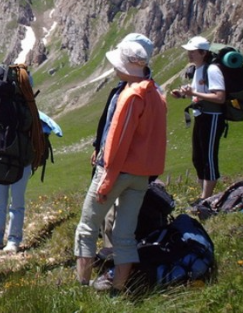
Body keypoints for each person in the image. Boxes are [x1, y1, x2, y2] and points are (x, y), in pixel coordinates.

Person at [74, 39, 166, 294]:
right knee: (125, 233)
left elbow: (117, 143)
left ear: (127, 66)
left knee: (87, 226)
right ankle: (118, 288)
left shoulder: (130, 96)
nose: (114, 68)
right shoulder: (156, 93)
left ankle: (81, 285)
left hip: (117, 172)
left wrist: (106, 181)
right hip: (141, 175)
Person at [172, 36, 226, 200]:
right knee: (198, 157)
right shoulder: (197, 70)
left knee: (209, 156)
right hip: (201, 116)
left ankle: (206, 199)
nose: (189, 54)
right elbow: (199, 94)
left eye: (193, 51)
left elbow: (220, 97)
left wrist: (193, 93)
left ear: (203, 53)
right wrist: (182, 94)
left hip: (212, 117)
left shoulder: (212, 70)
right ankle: (203, 196)